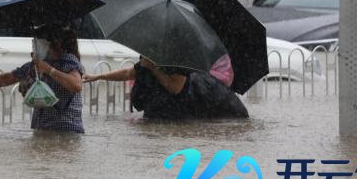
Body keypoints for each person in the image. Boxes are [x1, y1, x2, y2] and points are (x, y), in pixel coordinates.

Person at [0, 25, 85, 133]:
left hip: (66, 130)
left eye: (39, 42)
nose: (36, 46)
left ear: (53, 43)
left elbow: (76, 85)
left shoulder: (68, 61)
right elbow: (7, 78)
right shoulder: (37, 64)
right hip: (43, 128)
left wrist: (49, 70)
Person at [83, 56, 248, 120]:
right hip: (161, 110)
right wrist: (98, 76)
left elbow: (174, 87)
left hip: (188, 111)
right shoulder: (146, 59)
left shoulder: (179, 62)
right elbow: (127, 73)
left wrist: (155, 68)